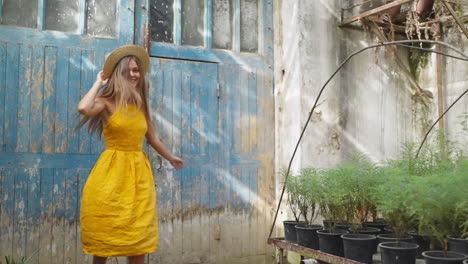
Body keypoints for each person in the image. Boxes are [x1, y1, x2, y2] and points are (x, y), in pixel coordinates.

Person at [77, 45, 184, 264]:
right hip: (110, 176)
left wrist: (170, 157)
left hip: (138, 177)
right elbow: (83, 108)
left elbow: (152, 138)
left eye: (137, 70)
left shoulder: (140, 105)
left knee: (138, 237)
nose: (135, 74)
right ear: (119, 73)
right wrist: (99, 81)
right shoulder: (105, 103)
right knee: (105, 235)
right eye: (130, 70)